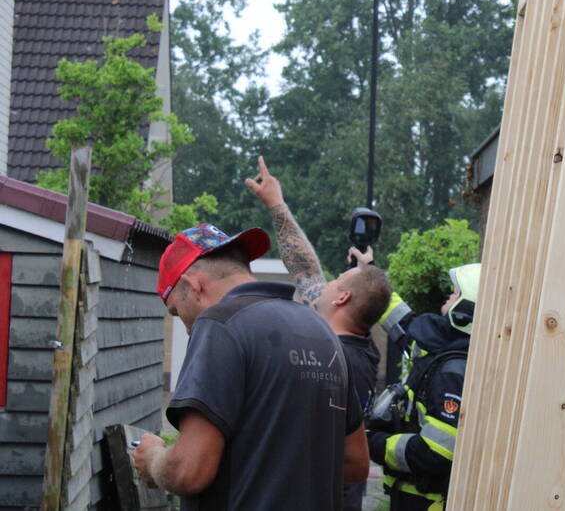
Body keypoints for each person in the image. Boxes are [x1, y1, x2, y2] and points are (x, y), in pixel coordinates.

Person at [131, 223, 369, 510]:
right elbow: (355, 463)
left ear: (194, 285)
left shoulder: (219, 324)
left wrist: (154, 459)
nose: (185, 327)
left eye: (176, 310)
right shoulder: (321, 330)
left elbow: (188, 472)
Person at [246, 156, 391, 510]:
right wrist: (276, 205)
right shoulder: (359, 347)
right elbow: (307, 271)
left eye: (336, 281)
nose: (325, 283)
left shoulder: (330, 359)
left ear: (341, 297)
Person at [368, 262, 480, 510]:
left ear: (466, 310)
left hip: (426, 502)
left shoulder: (453, 372)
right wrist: (369, 271)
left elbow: (435, 452)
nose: (450, 295)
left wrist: (374, 443)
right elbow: (404, 326)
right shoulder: (444, 346)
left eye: (457, 293)